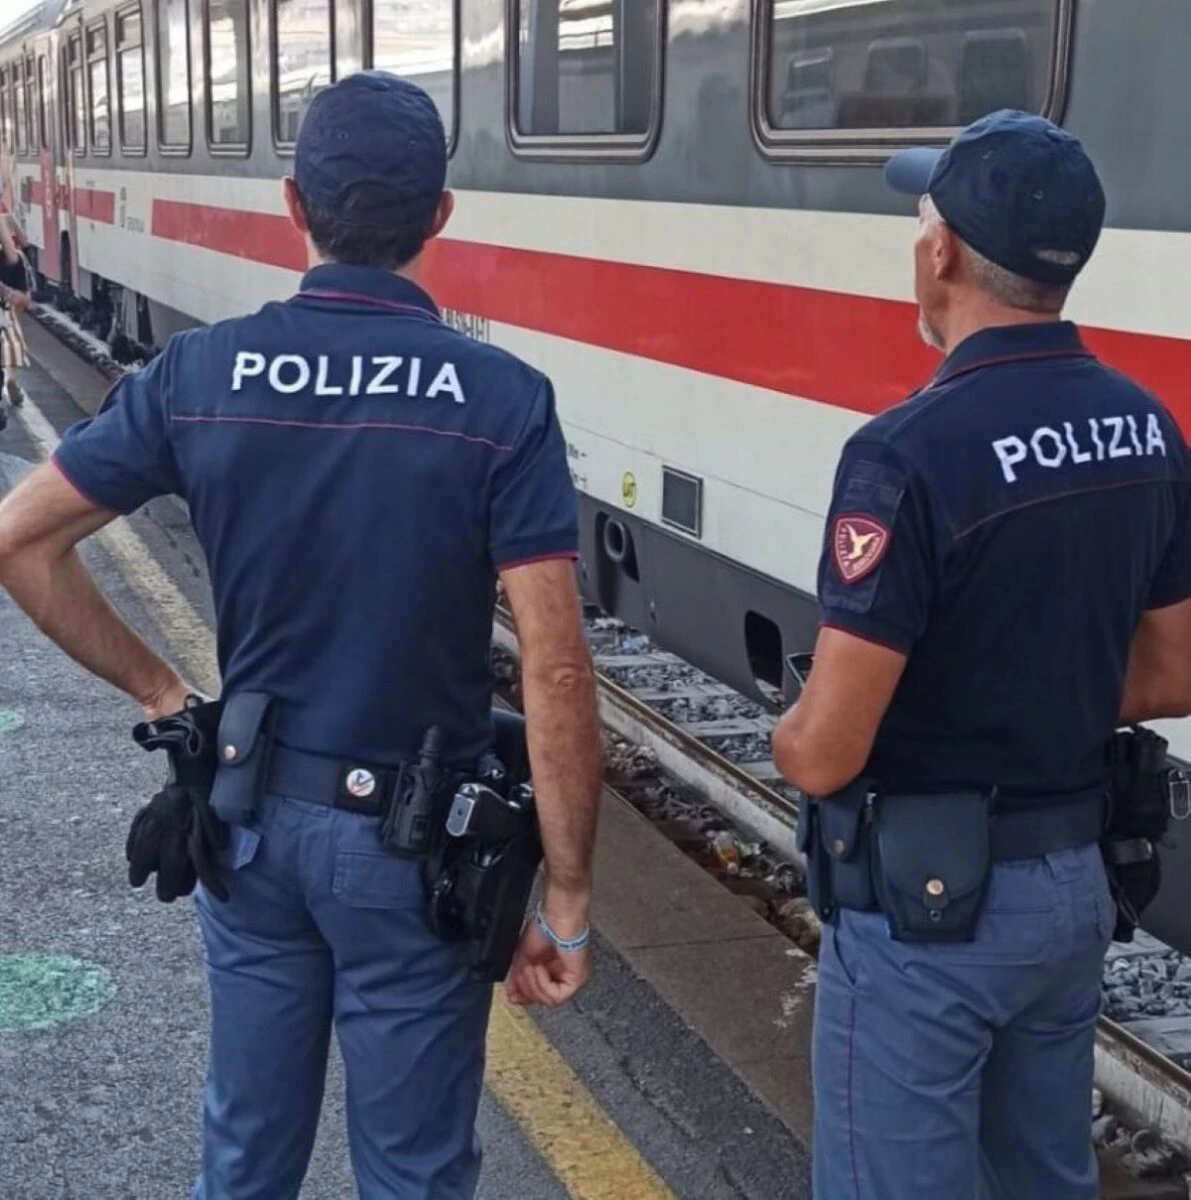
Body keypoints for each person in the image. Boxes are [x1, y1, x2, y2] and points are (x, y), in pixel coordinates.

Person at [0, 71, 603, 1199]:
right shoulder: (502, 400)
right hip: (418, 849)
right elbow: (558, 665)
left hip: (252, 823)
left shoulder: (202, 373)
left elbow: (20, 542)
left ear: (294, 205)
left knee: (246, 1152)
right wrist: (564, 895)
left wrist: (166, 696)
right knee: (416, 1171)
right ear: (439, 215)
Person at [772, 109, 1191, 1200]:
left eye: (922, 219)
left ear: (943, 250)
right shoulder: (1145, 428)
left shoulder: (905, 455)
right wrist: (1040, 700)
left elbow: (825, 755)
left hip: (931, 913)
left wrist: (794, 725)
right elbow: (1180, 670)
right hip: (1069, 893)